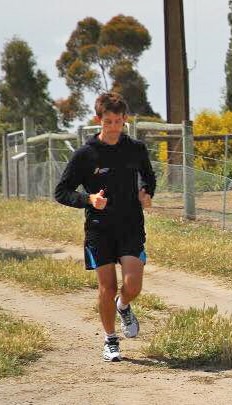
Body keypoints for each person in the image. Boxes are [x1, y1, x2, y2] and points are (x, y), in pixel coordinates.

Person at [55, 92, 156, 362]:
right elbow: (61, 192)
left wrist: (146, 192)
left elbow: (149, 177)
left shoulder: (135, 149)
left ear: (125, 120)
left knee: (132, 285)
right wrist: (88, 199)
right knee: (108, 287)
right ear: (98, 120)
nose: (113, 127)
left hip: (131, 225)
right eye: (108, 121)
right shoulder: (86, 155)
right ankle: (111, 340)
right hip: (99, 229)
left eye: (118, 121)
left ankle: (124, 307)